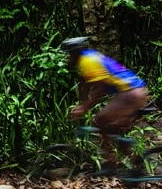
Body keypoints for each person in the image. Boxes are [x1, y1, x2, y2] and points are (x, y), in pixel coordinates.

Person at [61, 37, 150, 174]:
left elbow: (100, 90)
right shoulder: (88, 59)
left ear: (75, 53)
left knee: (100, 120)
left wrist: (84, 108)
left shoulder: (88, 61)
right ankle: (131, 163)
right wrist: (81, 105)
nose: (67, 58)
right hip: (133, 91)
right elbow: (85, 85)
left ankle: (111, 162)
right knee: (113, 128)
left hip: (130, 92)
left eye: (69, 54)